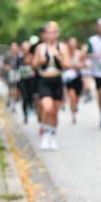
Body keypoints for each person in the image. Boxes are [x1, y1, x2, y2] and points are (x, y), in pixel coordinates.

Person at [33, 22, 68, 150]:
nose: (51, 35)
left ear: (58, 34)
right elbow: (34, 64)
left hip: (57, 80)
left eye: (54, 32)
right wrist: (40, 61)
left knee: (54, 112)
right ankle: (45, 135)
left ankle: (52, 136)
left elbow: (67, 64)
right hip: (44, 80)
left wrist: (60, 59)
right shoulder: (40, 48)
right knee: (47, 108)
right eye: (48, 32)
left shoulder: (62, 47)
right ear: (45, 35)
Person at [63, 36, 85, 124]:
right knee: (72, 95)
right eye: (71, 43)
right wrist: (73, 66)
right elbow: (63, 65)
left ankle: (75, 106)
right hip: (69, 79)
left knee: (77, 97)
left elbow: (83, 64)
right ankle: (73, 115)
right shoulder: (65, 54)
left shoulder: (79, 53)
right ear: (68, 44)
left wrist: (78, 66)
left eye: (74, 43)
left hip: (78, 77)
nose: (72, 45)